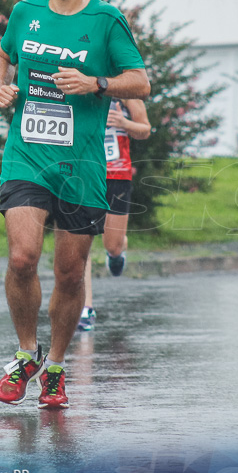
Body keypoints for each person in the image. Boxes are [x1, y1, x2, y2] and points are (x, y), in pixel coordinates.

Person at [0, 0, 150, 409]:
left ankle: (56, 367)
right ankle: (25, 354)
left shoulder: (106, 20)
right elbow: (3, 58)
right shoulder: (26, 13)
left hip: (81, 165)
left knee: (70, 272)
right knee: (21, 257)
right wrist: (0, 87)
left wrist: (96, 83)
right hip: (27, 156)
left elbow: (139, 82)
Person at [78, 98, 151, 332]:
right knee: (81, 240)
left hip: (117, 175)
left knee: (113, 245)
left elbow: (145, 129)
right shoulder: (80, 83)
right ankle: (85, 307)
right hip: (85, 172)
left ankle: (118, 251)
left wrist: (124, 123)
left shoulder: (126, 91)